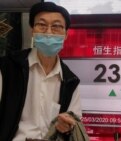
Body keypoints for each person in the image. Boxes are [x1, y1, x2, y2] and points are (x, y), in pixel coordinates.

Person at [0, 2, 86, 141]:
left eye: (56, 26)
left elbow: (74, 122)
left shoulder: (70, 80)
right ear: (32, 30)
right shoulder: (7, 68)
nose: (49, 32)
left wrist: (67, 126)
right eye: (42, 25)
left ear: (66, 34)